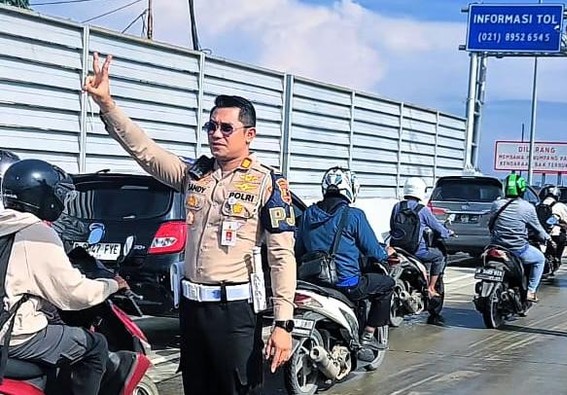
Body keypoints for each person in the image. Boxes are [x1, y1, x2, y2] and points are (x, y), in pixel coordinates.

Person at [84, 52, 296, 394]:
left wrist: (283, 323)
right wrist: (108, 104)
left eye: (227, 128)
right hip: (193, 309)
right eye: (211, 126)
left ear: (250, 135)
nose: (217, 134)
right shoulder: (195, 174)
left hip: (235, 312)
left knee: (238, 389)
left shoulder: (266, 183)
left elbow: (282, 257)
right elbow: (146, 152)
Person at [0, 159, 129, 394]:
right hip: (14, 336)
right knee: (96, 346)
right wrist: (111, 285)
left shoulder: (5, 226)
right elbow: (73, 294)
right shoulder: (36, 232)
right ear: (46, 197)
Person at [297, 167, 395, 351]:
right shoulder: (354, 215)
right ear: (350, 188)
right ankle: (368, 333)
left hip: (311, 281)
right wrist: (386, 253)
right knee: (387, 284)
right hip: (345, 283)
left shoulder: (308, 214)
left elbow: (298, 249)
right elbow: (374, 251)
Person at [389, 177, 453, 326]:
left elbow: (392, 225)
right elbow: (438, 229)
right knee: (438, 257)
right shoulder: (422, 210)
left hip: (398, 249)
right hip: (417, 251)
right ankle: (431, 288)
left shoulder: (397, 207)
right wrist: (448, 232)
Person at [489, 174, 552, 302]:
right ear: (522, 189)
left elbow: (490, 223)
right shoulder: (527, 207)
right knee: (540, 259)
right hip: (517, 249)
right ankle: (530, 291)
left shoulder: (496, 204)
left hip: (496, 246)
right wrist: (548, 239)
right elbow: (538, 229)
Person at [537, 185, 567, 268]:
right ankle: (557, 258)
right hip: (553, 235)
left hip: (537, 234)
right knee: (562, 239)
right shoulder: (561, 206)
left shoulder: (537, 205)